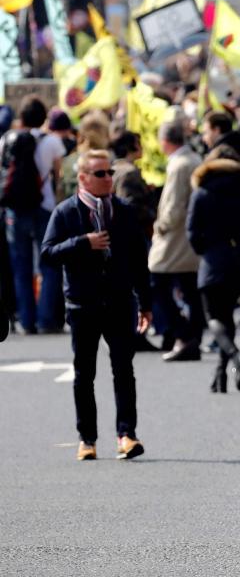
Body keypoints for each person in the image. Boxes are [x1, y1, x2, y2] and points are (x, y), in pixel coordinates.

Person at [40, 150, 152, 461]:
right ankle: (86, 439)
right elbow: (47, 255)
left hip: (119, 301)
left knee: (124, 370)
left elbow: (139, 259)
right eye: (100, 174)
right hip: (83, 303)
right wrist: (81, 243)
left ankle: (127, 434)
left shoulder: (124, 211)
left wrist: (145, 300)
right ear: (83, 178)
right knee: (84, 373)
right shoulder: (66, 212)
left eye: (109, 173)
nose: (108, 179)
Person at [187, 145, 240, 392]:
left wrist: (205, 250)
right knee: (227, 317)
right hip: (239, 262)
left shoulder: (202, 194)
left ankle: (237, 356)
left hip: (212, 262)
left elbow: (192, 233)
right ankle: (221, 375)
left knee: (214, 318)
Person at [1, 97, 66, 333]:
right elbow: (58, 175)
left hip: (15, 208)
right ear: (43, 118)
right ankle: (46, 318)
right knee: (48, 264)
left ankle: (26, 321)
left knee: (21, 267)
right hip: (44, 206)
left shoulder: (6, 139)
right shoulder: (51, 142)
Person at [149, 120, 205, 360]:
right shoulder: (194, 159)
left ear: (165, 142)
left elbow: (172, 205)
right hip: (191, 236)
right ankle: (193, 336)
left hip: (175, 237)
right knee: (191, 290)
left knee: (157, 284)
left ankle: (184, 335)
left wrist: (160, 227)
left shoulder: (178, 165)